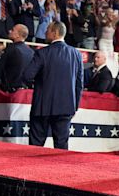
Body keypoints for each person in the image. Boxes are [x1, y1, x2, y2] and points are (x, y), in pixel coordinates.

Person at [23, 21, 84, 149]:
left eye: (47, 30)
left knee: (35, 148)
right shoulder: (76, 54)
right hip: (66, 106)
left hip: (42, 105)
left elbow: (27, 76)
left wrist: (40, 84)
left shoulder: (42, 53)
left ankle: (32, 169)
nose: (45, 32)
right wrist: (75, 106)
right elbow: (79, 84)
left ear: (55, 33)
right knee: (61, 148)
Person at [0, 24, 34, 92]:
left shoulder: (10, 50)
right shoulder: (32, 52)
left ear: (18, 35)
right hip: (26, 93)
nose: (9, 31)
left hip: (9, 93)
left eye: (12, 30)